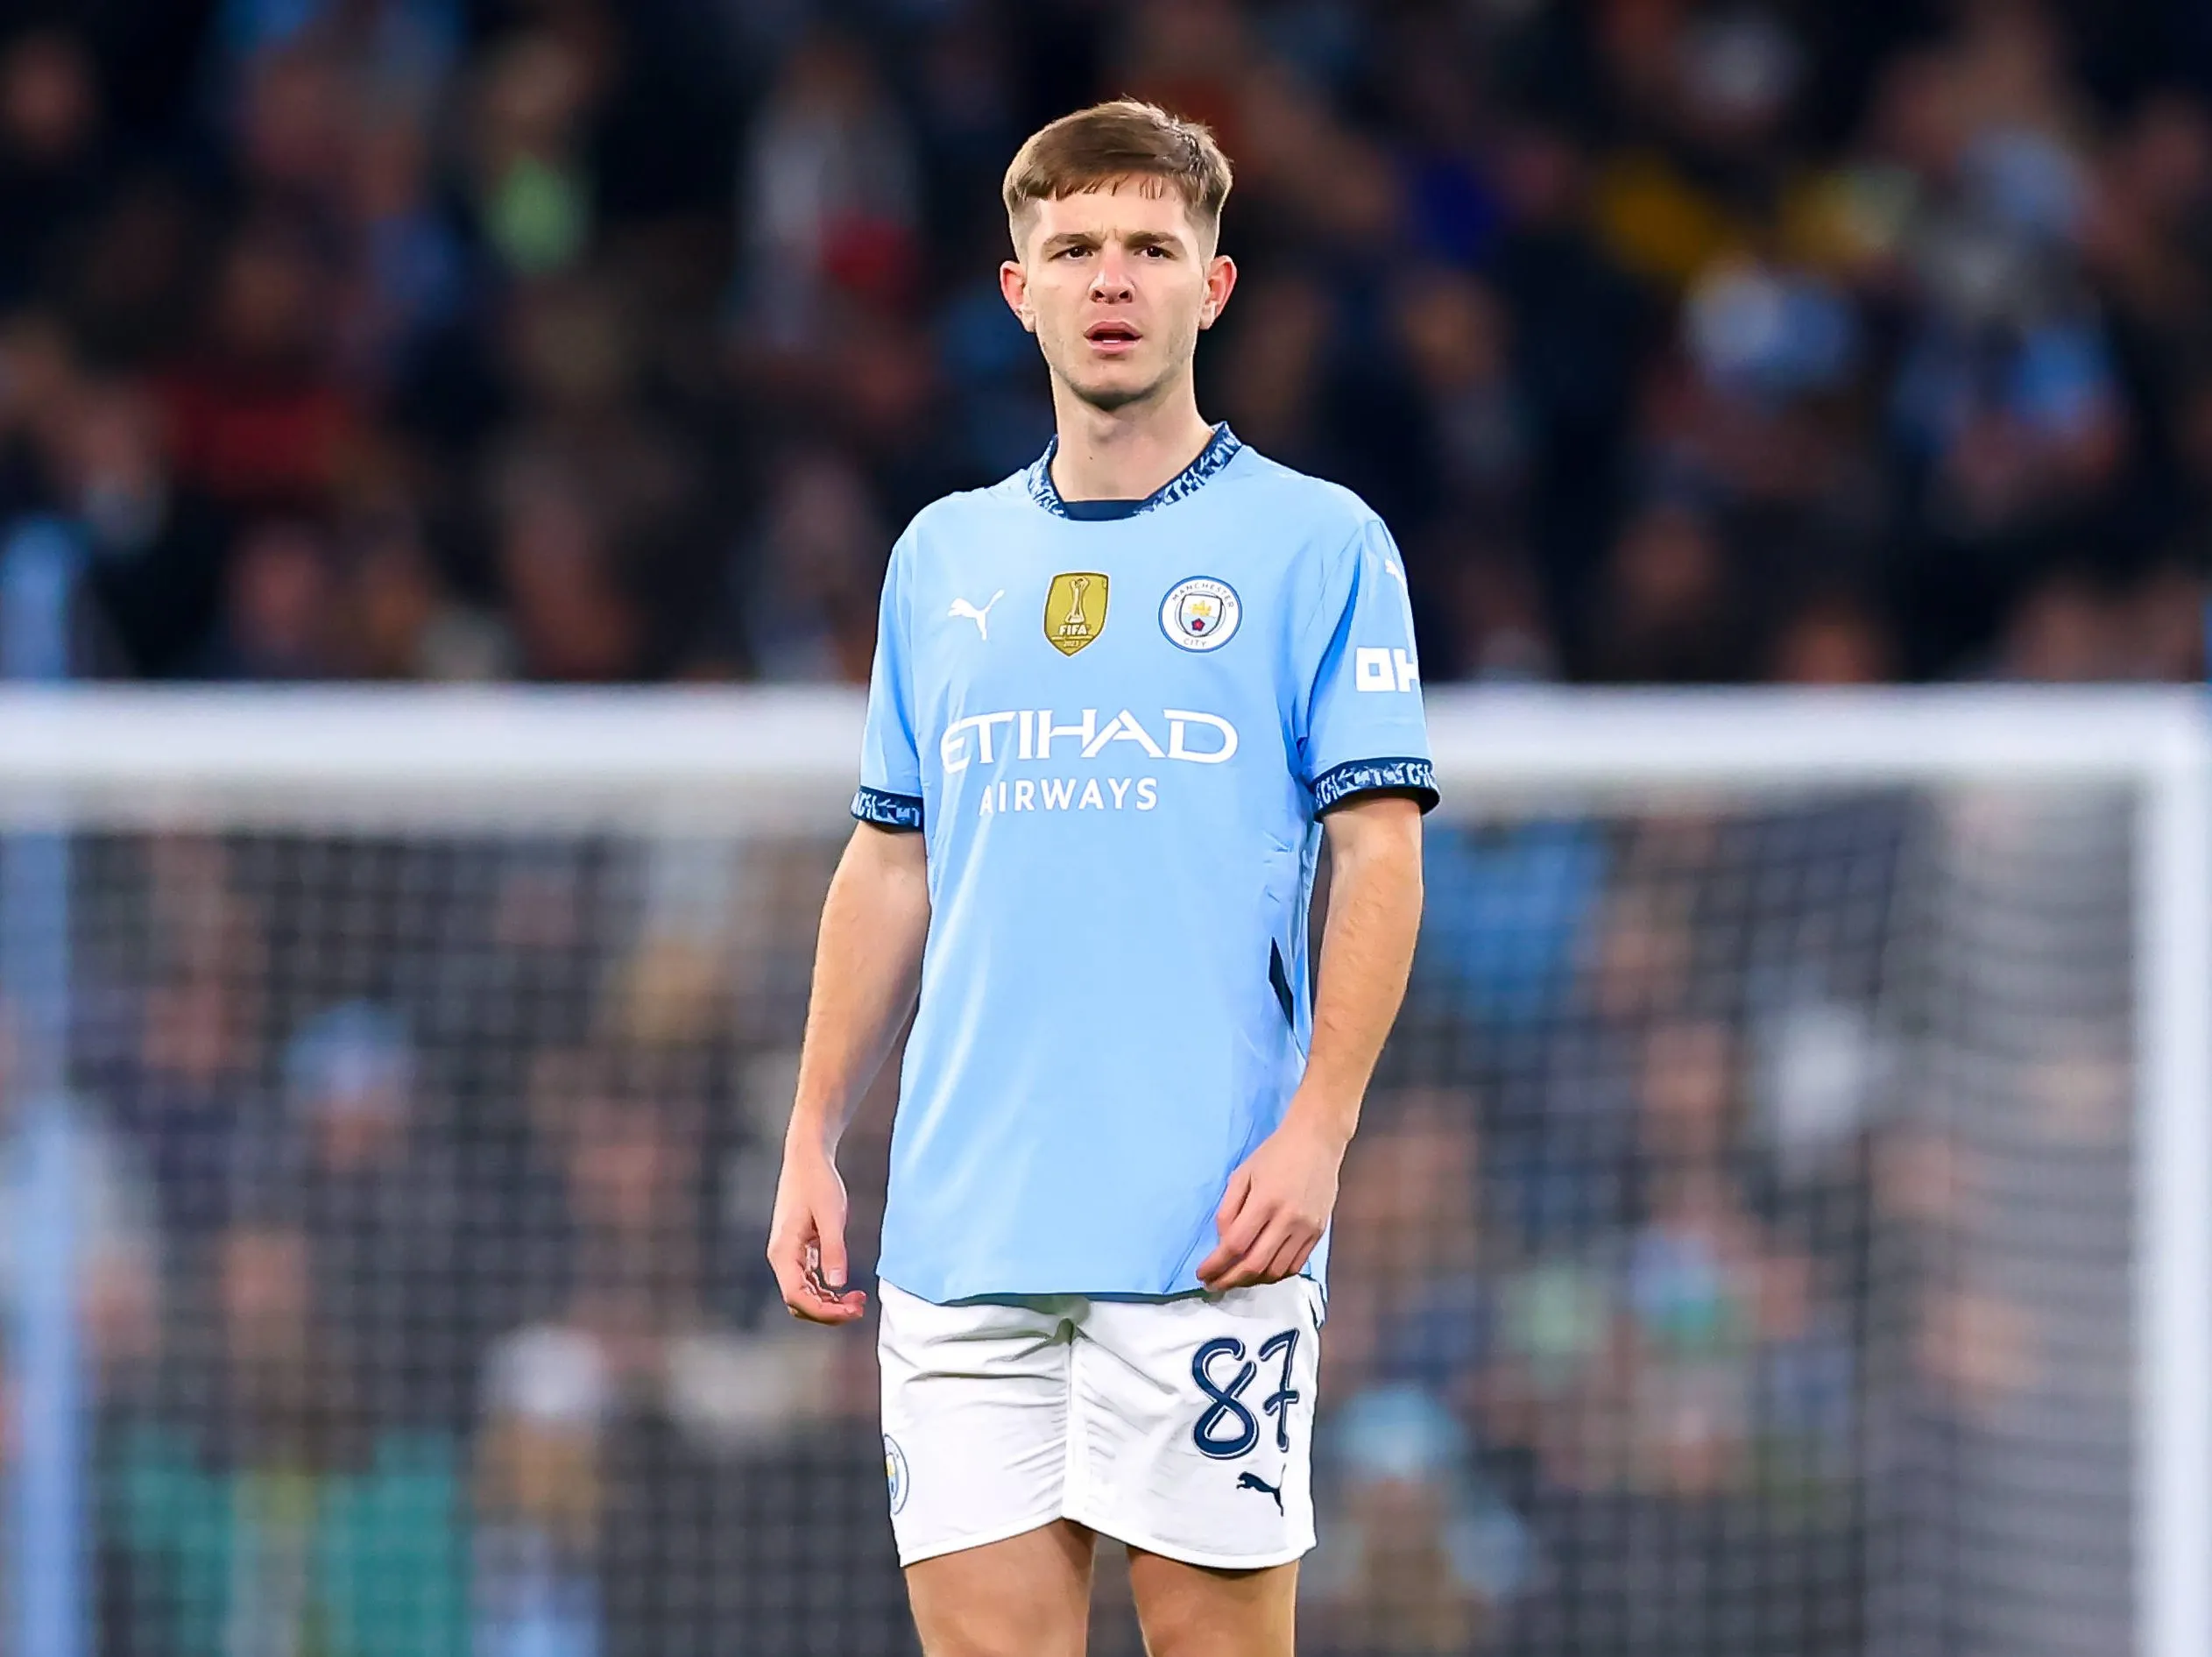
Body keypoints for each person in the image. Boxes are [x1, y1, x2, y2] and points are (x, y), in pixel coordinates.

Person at [767, 100, 1433, 1656]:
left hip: (1205, 1229)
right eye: (1074, 249)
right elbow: (889, 857)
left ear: (1216, 284)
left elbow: (1381, 853)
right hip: (962, 1233)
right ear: (1020, 289)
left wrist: (1320, 1129)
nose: (1112, 278)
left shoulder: (1318, 545)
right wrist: (811, 1130)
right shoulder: (942, 557)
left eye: (1151, 246)